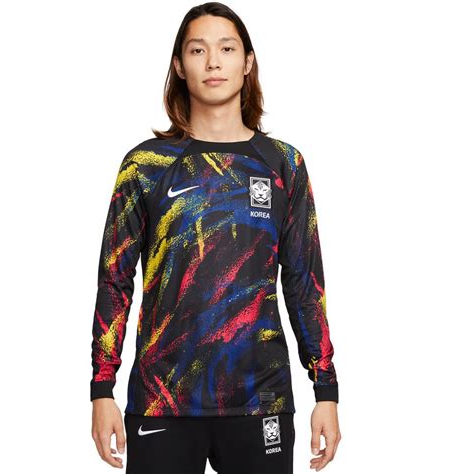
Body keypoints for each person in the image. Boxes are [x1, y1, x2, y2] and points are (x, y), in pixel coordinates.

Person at [90, 3, 341, 473]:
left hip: (260, 401)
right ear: (179, 66)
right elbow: (114, 281)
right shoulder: (145, 166)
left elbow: (305, 283)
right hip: (161, 402)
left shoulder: (283, 165)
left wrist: (325, 388)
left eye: (226, 49)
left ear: (247, 62)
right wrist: (102, 388)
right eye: (197, 50)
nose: (212, 62)